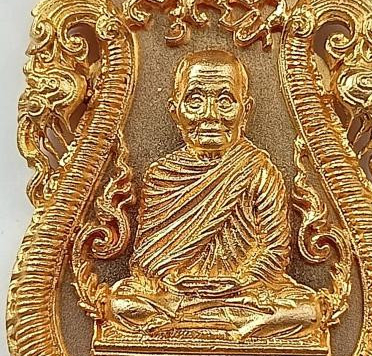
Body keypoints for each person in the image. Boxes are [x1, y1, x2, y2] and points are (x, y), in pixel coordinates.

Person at [109, 49, 319, 340]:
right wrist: (175, 281)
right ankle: (232, 331)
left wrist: (240, 281)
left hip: (243, 294)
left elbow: (275, 251)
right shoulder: (161, 175)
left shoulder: (258, 169)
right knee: (120, 304)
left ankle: (189, 328)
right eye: (195, 100)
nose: (210, 114)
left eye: (225, 101)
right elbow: (147, 262)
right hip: (176, 295)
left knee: (308, 311)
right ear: (175, 111)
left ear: (245, 110)